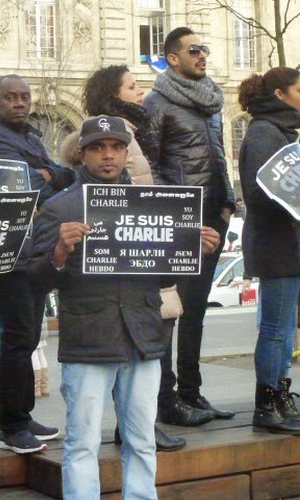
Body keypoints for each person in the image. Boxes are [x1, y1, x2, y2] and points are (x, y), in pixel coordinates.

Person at [29, 116, 221, 498]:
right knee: (83, 441)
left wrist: (193, 252)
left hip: (143, 336)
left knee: (142, 439)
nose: (108, 155)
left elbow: (163, 278)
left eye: (117, 147)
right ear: (81, 152)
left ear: (125, 152)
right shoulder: (60, 207)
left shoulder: (154, 203)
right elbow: (34, 280)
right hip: (89, 340)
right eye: (98, 147)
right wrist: (60, 251)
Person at [78, 64, 214, 447]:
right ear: (112, 93)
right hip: (135, 247)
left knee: (153, 337)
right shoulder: (116, 132)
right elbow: (136, 188)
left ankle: (143, 420)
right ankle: (138, 424)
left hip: (147, 243)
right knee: (143, 341)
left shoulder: (135, 129)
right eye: (132, 86)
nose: (140, 92)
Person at [0, 74, 74, 454]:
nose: (19, 103)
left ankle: (23, 414)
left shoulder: (30, 136)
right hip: (9, 252)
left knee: (29, 337)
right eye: (11, 97)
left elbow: (61, 175)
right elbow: (28, 186)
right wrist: (47, 175)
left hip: (32, 250)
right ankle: (11, 426)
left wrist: (48, 174)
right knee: (17, 339)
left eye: (24, 97)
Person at [144, 27, 236, 423]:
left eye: (205, 48)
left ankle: (192, 393)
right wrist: (179, 212)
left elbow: (219, 157)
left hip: (214, 216)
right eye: (194, 50)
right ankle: (167, 401)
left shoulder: (211, 101)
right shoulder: (157, 102)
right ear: (172, 58)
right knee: (171, 311)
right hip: (182, 222)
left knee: (196, 310)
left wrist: (227, 204)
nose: (202, 55)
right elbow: (149, 165)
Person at [237, 67, 300, 433]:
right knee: (276, 329)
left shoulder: (281, 131)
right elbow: (259, 191)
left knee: (285, 329)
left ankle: (279, 395)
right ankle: (267, 403)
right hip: (277, 245)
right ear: (280, 94)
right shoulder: (265, 132)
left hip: (288, 244)